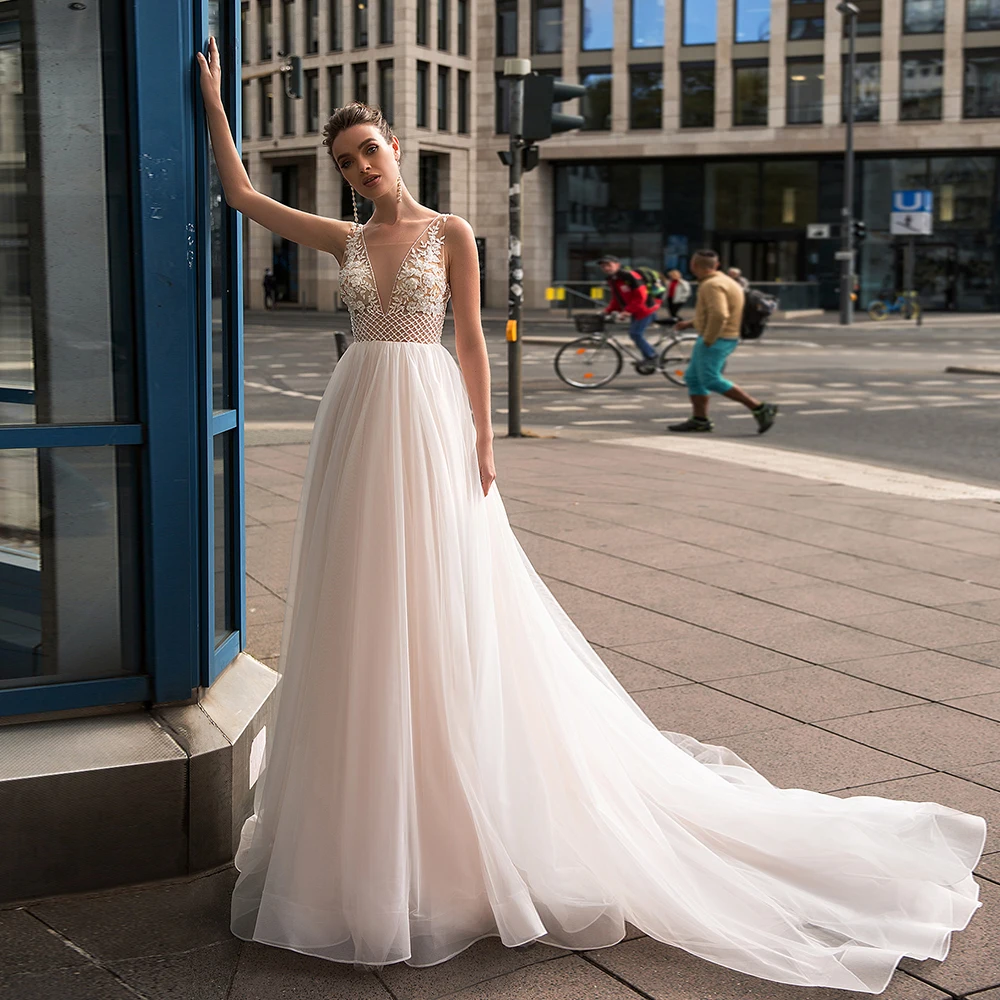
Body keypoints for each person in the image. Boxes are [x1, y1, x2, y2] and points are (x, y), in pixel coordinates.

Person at [197, 38, 986, 992]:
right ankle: (366, 798)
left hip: (425, 414)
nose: (363, 168)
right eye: (348, 161)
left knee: (441, 598)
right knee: (359, 597)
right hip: (356, 417)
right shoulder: (348, 239)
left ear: (396, 144)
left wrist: (482, 442)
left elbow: (474, 344)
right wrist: (214, 101)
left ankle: (445, 792)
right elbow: (243, 196)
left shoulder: (450, 231)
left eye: (370, 149)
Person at [670, 250, 778, 434]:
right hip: (723, 335)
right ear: (717, 265)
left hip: (718, 337)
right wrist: (691, 323)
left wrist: (709, 339)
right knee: (693, 378)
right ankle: (700, 420)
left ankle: (759, 408)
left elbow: (720, 314)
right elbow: (714, 313)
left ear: (693, 265)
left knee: (711, 379)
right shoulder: (727, 281)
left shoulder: (711, 285)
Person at [597, 255, 663, 375]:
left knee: (635, 333)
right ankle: (648, 359)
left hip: (645, 309)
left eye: (609, 265)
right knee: (635, 334)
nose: (606, 268)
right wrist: (608, 311)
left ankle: (652, 356)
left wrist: (627, 311)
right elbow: (617, 299)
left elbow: (641, 296)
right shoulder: (613, 279)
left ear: (617, 264)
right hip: (636, 310)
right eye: (603, 266)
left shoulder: (630, 276)